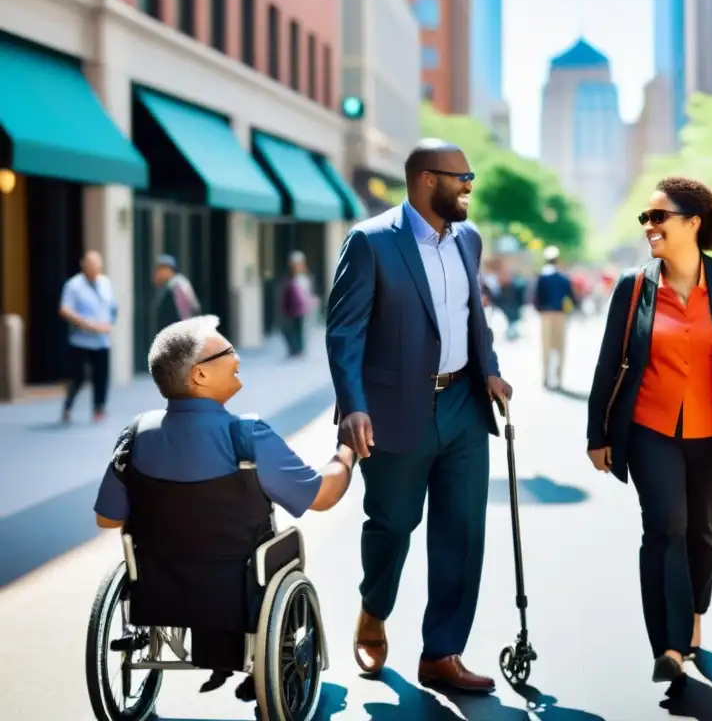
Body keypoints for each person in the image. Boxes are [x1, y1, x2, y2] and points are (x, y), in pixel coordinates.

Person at [326, 139, 512, 693]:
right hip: (392, 409)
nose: (469, 187)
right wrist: (352, 404)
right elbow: (345, 331)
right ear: (427, 180)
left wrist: (491, 369)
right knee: (392, 524)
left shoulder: (468, 240)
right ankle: (374, 608)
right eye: (463, 177)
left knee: (461, 531)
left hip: (462, 403)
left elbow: (472, 318)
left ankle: (442, 653)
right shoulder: (371, 241)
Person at [585, 176, 712, 694]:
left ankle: (694, 612)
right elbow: (609, 365)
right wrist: (596, 434)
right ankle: (668, 646)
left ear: (693, 223)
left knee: (702, 528)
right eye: (645, 219)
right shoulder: (633, 286)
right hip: (650, 427)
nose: (650, 227)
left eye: (659, 217)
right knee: (665, 525)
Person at [93, 315, 352, 701]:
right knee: (286, 546)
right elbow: (323, 497)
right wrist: (345, 452)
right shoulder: (246, 436)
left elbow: (107, 517)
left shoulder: (135, 435)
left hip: (160, 586)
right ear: (199, 376)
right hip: (240, 586)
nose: (236, 356)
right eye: (226, 350)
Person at [59, 250, 117, 424]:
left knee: (102, 375)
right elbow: (64, 309)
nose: (94, 267)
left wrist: (109, 323)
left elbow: (113, 307)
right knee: (79, 377)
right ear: (83, 265)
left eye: (97, 264)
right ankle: (68, 405)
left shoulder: (106, 283)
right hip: (81, 339)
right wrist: (83, 323)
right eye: (90, 264)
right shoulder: (73, 285)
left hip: (102, 339)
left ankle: (99, 408)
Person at [534, 245, 579, 389]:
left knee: (546, 347)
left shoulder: (541, 277)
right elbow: (572, 297)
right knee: (560, 348)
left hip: (546, 315)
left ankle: (546, 378)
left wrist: (540, 310)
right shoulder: (563, 277)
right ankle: (559, 379)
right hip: (560, 315)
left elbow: (535, 298)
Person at [153, 254, 201, 333]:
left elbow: (185, 313)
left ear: (169, 270)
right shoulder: (168, 285)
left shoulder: (177, 285)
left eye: (160, 269)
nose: (157, 273)